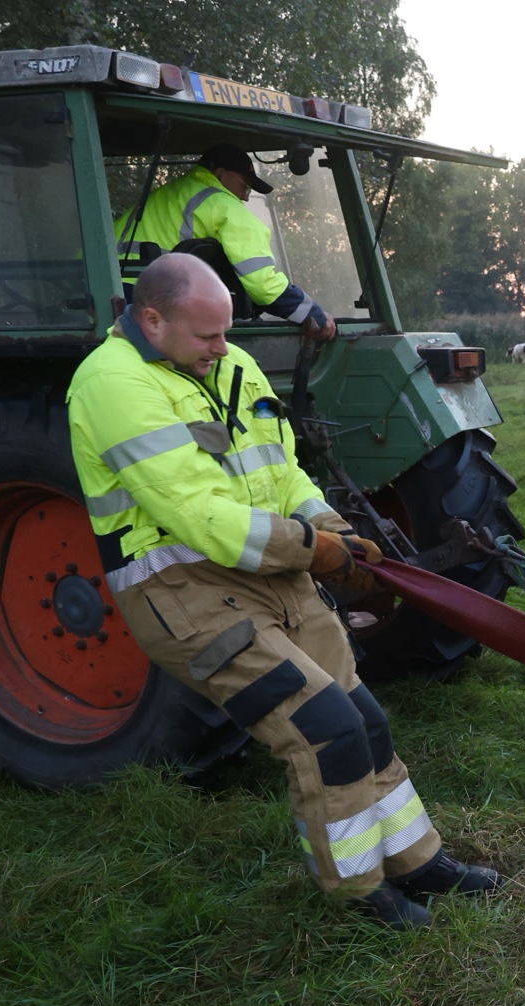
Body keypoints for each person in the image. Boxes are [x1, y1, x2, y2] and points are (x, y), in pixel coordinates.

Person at [66, 254, 498, 930]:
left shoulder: (231, 365)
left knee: (367, 722)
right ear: (151, 320)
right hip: (184, 590)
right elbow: (198, 515)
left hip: (274, 571)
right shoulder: (111, 385)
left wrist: (329, 524)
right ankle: (357, 893)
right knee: (323, 730)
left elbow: (283, 470)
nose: (222, 348)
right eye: (207, 336)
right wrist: (315, 550)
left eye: (226, 333)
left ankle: (417, 860)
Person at [114, 144, 337, 341]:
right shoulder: (224, 206)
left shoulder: (162, 197)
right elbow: (262, 285)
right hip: (159, 312)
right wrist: (314, 315)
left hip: (114, 305)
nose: (246, 197)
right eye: (245, 186)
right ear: (220, 174)